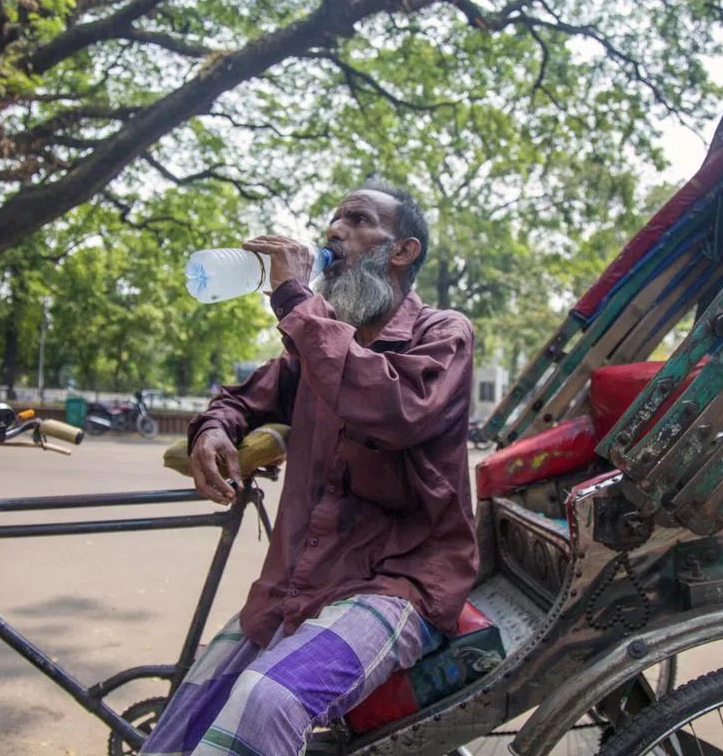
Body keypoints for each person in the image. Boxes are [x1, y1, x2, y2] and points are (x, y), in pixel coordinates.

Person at [141, 182, 477, 755]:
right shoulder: (312, 348)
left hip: (395, 583)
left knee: (268, 700)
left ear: (401, 251)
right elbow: (246, 398)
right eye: (333, 219)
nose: (333, 231)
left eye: (357, 219)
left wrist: (296, 298)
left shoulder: (443, 333)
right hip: (297, 582)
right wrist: (217, 428)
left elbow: (394, 411)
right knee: (184, 721)